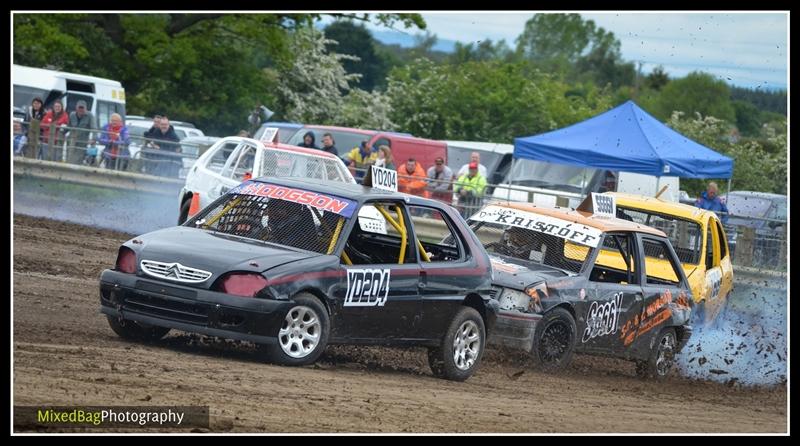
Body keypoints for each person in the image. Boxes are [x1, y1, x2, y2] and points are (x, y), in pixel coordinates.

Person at [66, 100, 97, 165]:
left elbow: (94, 128)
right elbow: (68, 127)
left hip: (82, 142)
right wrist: (62, 132)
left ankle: (75, 174)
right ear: (76, 108)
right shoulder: (72, 115)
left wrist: (93, 139)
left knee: (77, 160)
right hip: (71, 141)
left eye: (82, 108)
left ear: (85, 108)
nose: (81, 110)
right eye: (79, 108)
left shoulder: (90, 116)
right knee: (68, 159)